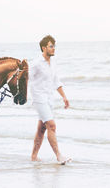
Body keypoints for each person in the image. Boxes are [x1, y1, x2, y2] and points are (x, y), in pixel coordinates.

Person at [30, 35, 71, 164]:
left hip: (49, 99)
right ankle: (59, 156)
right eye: (51, 46)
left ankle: (34, 156)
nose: (54, 48)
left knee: (41, 129)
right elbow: (27, 79)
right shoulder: (36, 63)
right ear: (44, 48)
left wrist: (64, 97)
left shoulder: (53, 62)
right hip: (39, 98)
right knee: (51, 126)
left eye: (54, 46)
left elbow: (55, 81)